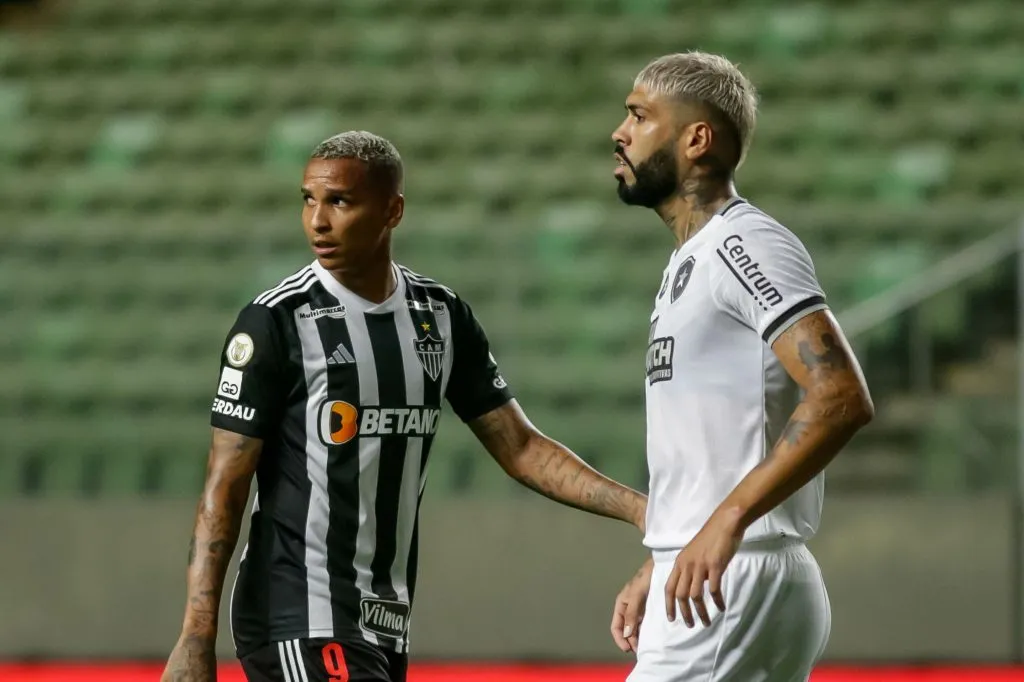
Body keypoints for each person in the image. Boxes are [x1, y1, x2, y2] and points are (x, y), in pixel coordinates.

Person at [160, 131, 647, 682]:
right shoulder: (276, 321)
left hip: (385, 619)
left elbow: (522, 447)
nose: (317, 220)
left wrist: (638, 508)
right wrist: (196, 635)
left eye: (339, 201)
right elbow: (224, 482)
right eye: (308, 200)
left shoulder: (439, 315)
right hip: (298, 611)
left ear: (393, 210)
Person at [606, 52, 874, 681]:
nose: (619, 132)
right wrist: (669, 550)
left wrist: (724, 524)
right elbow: (717, 437)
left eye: (639, 115)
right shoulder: (691, 260)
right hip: (715, 574)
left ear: (697, 139)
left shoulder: (743, 243)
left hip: (731, 582)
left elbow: (839, 394)